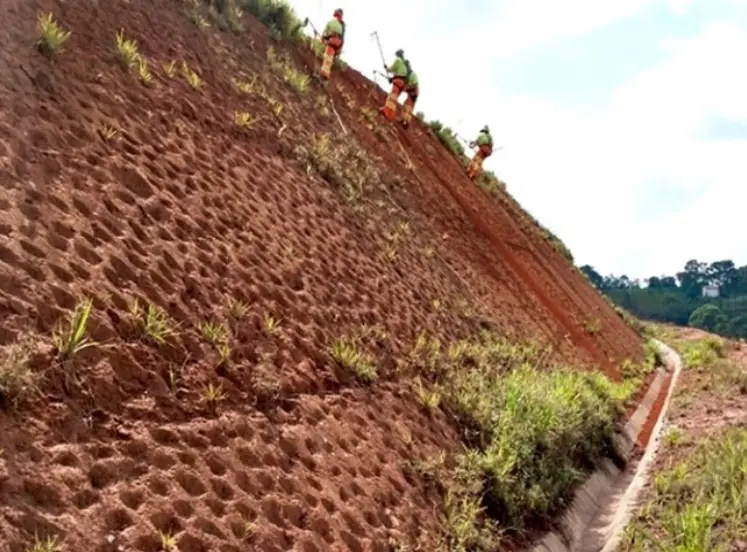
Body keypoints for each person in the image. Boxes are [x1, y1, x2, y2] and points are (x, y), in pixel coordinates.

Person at [380, 49, 417, 126]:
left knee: (392, 96)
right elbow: (403, 74)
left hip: (398, 81)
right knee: (395, 98)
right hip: (403, 84)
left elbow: (391, 69)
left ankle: (387, 112)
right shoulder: (405, 66)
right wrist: (392, 78)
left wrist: (386, 68)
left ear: (398, 54)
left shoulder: (398, 60)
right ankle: (393, 115)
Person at [319, 9, 345, 81]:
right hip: (337, 44)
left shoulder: (330, 23)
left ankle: (323, 74)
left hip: (331, 42)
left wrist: (322, 39)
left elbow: (324, 34)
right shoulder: (341, 26)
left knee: (327, 57)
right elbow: (342, 39)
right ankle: (325, 75)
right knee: (329, 59)